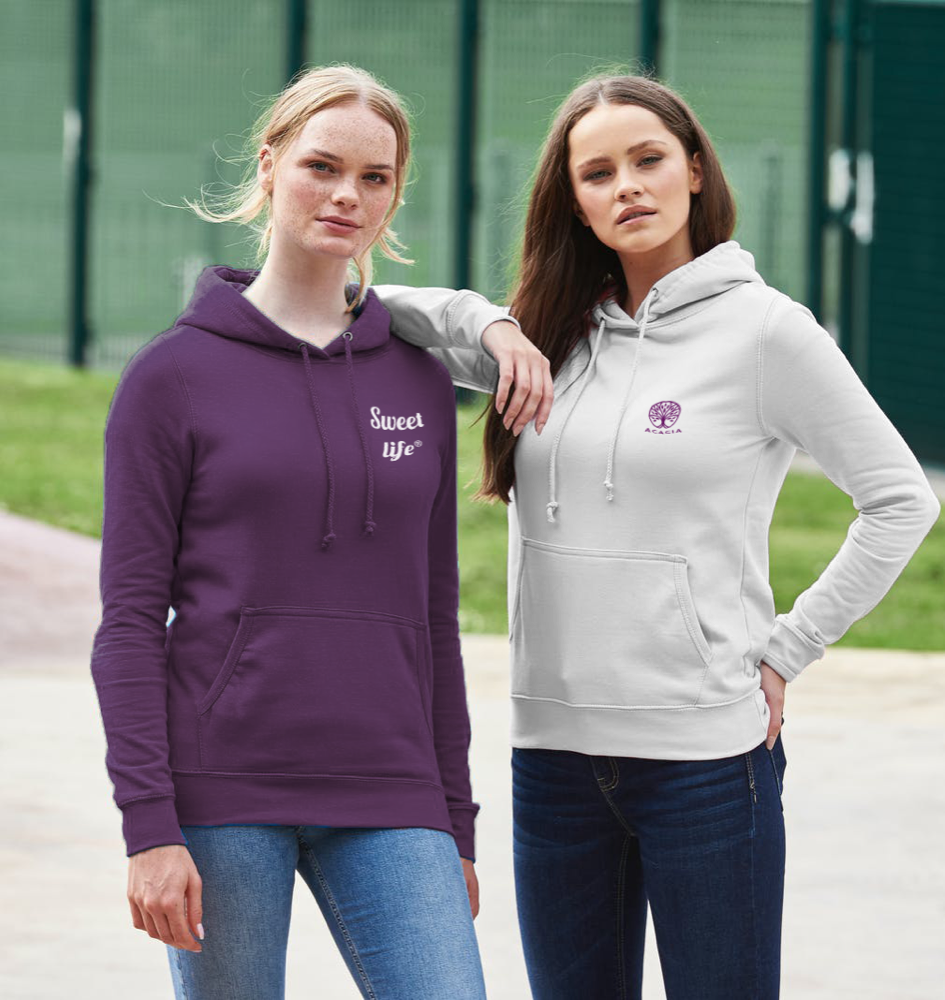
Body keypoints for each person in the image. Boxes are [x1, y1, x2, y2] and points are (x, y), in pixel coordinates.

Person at [375, 74, 941, 999]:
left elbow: (900, 500)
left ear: (694, 170)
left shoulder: (767, 333)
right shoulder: (549, 335)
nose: (628, 186)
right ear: (575, 203)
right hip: (553, 757)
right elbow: (365, 311)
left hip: (706, 763)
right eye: (597, 173)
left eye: (648, 160)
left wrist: (789, 649)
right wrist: (491, 322)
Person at [89, 63, 547, 1000]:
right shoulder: (172, 378)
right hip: (222, 789)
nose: (347, 195)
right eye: (322, 166)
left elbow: (433, 620)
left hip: (390, 787)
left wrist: (454, 820)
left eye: (375, 178)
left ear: (394, 197)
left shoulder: (416, 379)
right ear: (270, 167)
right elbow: (129, 622)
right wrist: (149, 827)